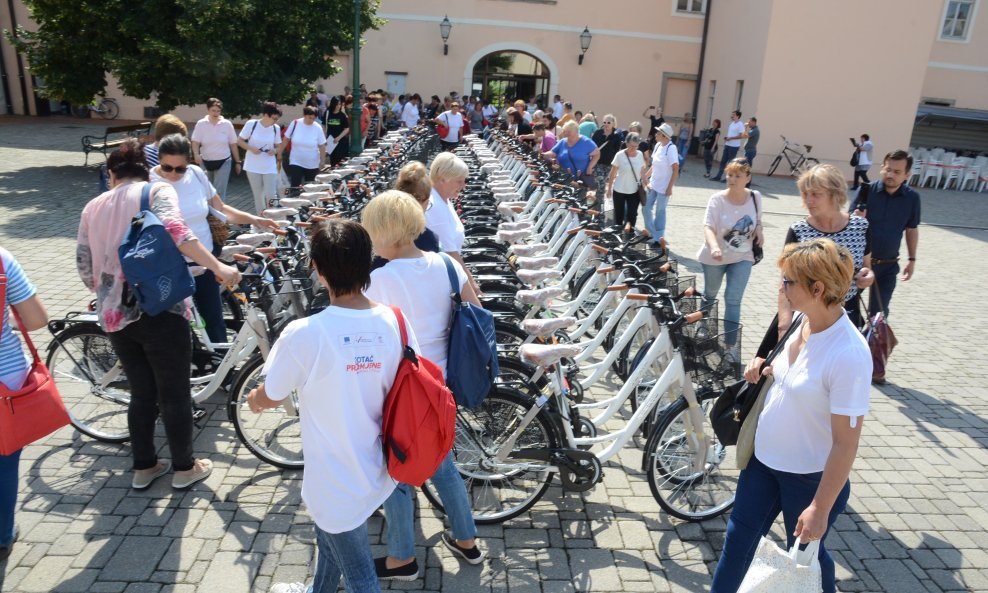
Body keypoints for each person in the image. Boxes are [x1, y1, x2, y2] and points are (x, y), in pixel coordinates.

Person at [250, 219, 410, 593]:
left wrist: (253, 398)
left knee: (360, 577)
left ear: (318, 270)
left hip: (336, 477)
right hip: (380, 465)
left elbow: (271, 394)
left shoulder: (305, 333)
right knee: (330, 536)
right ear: (368, 264)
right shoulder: (395, 320)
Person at [77, 139, 241, 491]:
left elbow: (85, 267)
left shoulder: (92, 207)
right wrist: (218, 268)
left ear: (111, 174)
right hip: (162, 309)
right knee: (175, 393)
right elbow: (179, 234)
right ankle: (185, 468)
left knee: (141, 392)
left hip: (116, 317)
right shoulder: (157, 192)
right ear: (145, 170)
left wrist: (109, 292)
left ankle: (145, 467)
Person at [710, 239, 871, 593]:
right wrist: (763, 367)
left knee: (806, 557)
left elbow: (846, 443)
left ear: (817, 288)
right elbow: (789, 375)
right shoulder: (802, 320)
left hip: (808, 478)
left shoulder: (849, 354)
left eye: (788, 282)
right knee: (737, 543)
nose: (781, 287)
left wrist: (820, 506)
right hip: (763, 461)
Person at [361, 191, 486, 581]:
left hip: (403, 387)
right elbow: (477, 311)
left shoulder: (378, 279)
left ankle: (402, 558)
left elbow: (368, 335)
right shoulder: (448, 265)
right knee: (442, 462)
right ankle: (466, 541)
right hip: (444, 384)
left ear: (386, 232)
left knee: (397, 467)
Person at [150, 134, 279, 343]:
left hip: (205, 259)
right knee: (178, 328)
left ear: (189, 162)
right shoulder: (149, 183)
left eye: (180, 168)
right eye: (167, 167)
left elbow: (220, 208)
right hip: (171, 265)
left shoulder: (197, 175)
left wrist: (254, 219)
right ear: (159, 161)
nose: (173, 174)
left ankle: (221, 371)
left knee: (213, 319)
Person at [778, 164, 873, 332]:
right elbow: (784, 284)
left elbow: (867, 266)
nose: (808, 200)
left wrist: (868, 276)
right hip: (805, 318)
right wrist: (784, 326)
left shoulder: (860, 227)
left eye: (816, 194)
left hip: (846, 317)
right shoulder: (799, 231)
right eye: (805, 194)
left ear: (835, 195)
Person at [0, 248, 48, 561]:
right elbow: (36, 319)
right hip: (5, 383)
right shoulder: (1, 259)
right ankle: (2, 534)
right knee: (4, 459)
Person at [696, 158, 762, 360]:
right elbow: (708, 227)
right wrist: (714, 246)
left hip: (743, 256)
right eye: (729, 175)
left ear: (747, 178)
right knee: (710, 293)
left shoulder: (755, 197)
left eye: (737, 176)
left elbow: (758, 220)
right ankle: (703, 323)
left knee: (733, 299)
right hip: (716, 256)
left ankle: (730, 347)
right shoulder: (717, 199)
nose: (732, 179)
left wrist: (759, 230)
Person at [849, 149, 920, 321]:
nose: (890, 175)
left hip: (887, 267)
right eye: (888, 169)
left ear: (907, 174)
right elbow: (847, 221)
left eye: (897, 172)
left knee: (879, 316)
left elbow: (911, 229)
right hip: (859, 266)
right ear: (882, 168)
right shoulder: (866, 191)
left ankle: (871, 346)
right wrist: (854, 218)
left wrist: (912, 260)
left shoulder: (912, 198)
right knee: (846, 309)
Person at [426, 153, 481, 295]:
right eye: (459, 181)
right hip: (441, 277)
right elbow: (451, 252)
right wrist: (470, 283)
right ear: (443, 179)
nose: (463, 186)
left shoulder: (444, 199)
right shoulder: (435, 206)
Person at [191, 98, 241, 201]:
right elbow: (195, 141)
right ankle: (207, 214)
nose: (216, 113)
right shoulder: (201, 124)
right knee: (206, 190)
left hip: (224, 161)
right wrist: (196, 154)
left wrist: (237, 162)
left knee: (219, 192)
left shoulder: (227, 124)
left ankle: (218, 215)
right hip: (205, 161)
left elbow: (233, 144)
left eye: (218, 111)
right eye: (213, 110)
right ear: (208, 110)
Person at [237, 101, 284, 214]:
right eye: (274, 118)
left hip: (269, 165)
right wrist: (251, 148)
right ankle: (261, 221)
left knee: (271, 194)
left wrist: (275, 150)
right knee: (258, 195)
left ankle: (274, 217)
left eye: (277, 119)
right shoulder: (252, 124)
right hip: (253, 165)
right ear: (266, 115)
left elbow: (279, 146)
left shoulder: (275, 128)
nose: (275, 121)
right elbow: (239, 141)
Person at [642, 123, 679, 246]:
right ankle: (653, 233)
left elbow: (675, 169)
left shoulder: (671, 148)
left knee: (660, 211)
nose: (655, 134)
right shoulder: (658, 145)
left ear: (664, 136)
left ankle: (658, 238)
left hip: (664, 187)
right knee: (646, 208)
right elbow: (654, 165)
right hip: (653, 184)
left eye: (658, 133)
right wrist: (645, 176)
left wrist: (670, 188)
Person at [544, 121, 600, 202]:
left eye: (569, 131)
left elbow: (597, 154)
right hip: (564, 178)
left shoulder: (586, 142)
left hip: (580, 179)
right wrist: (545, 154)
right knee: (562, 202)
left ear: (576, 131)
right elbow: (553, 152)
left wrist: (590, 167)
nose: (566, 133)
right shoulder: (563, 142)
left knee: (578, 203)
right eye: (565, 130)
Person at [605, 132, 647, 234]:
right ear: (626, 143)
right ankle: (617, 239)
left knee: (632, 215)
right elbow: (612, 173)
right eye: (631, 146)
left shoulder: (640, 154)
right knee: (619, 217)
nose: (633, 149)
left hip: (634, 191)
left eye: (636, 146)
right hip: (619, 190)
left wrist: (646, 184)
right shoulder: (620, 155)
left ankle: (629, 238)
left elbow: (642, 172)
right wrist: (609, 188)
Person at [284, 106, 329, 187]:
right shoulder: (295, 123)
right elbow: (286, 138)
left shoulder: (317, 127)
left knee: (310, 188)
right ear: (304, 115)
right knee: (295, 186)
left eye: (313, 118)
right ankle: (294, 198)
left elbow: (322, 146)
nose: (311, 120)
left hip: (312, 163)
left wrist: (322, 161)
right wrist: (279, 152)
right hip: (296, 161)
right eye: (309, 117)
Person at [591, 114, 622, 200]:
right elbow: (591, 145)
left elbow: (617, 150)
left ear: (613, 123)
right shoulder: (598, 133)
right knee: (601, 181)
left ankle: (599, 203)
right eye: (604, 122)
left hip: (608, 164)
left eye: (608, 122)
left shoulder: (616, 136)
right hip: (597, 162)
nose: (606, 124)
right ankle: (598, 201)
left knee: (602, 183)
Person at [711, 110, 745, 182]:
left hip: (734, 146)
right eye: (732, 114)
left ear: (737, 116)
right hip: (727, 145)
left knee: (731, 163)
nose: (732, 116)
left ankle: (728, 178)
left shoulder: (740, 124)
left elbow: (741, 136)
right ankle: (718, 176)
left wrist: (731, 138)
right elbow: (731, 134)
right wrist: (727, 138)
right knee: (723, 161)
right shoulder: (732, 123)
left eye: (733, 115)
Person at [323, 96, 350, 166]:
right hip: (330, 140)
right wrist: (324, 137)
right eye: (337, 104)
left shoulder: (342, 115)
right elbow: (323, 125)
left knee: (340, 160)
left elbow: (347, 128)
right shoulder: (327, 113)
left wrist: (338, 138)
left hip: (340, 141)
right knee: (332, 160)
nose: (338, 106)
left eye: (340, 104)